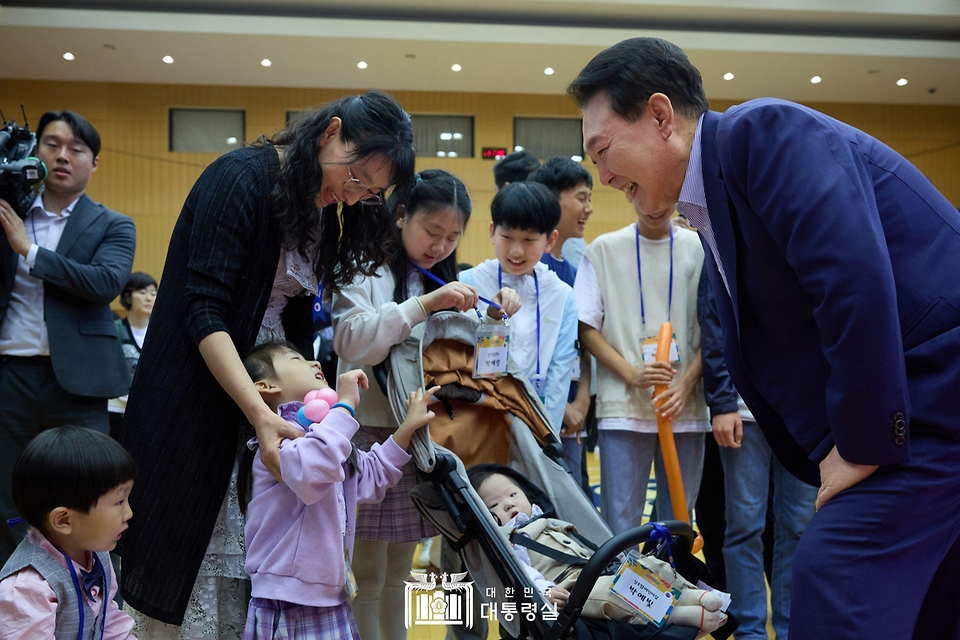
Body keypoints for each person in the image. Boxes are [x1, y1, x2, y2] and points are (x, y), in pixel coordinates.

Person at [569, 36, 960, 639]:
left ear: (660, 116)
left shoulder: (763, 133)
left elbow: (851, 278)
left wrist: (860, 444)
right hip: (922, 398)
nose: (602, 174)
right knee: (928, 603)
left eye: (602, 150)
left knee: (838, 574)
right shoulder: (710, 199)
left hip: (936, 388)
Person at [118, 91, 415, 635]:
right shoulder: (240, 177)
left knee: (265, 542)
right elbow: (202, 307)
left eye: (369, 193)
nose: (352, 198)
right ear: (329, 133)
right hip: (204, 388)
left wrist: (304, 401)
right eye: (354, 179)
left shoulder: (321, 212)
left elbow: (298, 321)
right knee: (194, 546)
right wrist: (258, 409)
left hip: (273, 391)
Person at [330, 169, 476, 640]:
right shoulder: (362, 266)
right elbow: (352, 342)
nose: (441, 246)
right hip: (373, 438)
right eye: (432, 231)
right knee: (367, 578)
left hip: (419, 441)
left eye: (452, 237)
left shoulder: (442, 279)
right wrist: (424, 305)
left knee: (399, 578)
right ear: (400, 216)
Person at [0, 110, 136, 565]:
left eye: (76, 149)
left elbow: (104, 282)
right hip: (9, 374)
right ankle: (14, 605)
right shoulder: (7, 211)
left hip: (78, 383)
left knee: (90, 493)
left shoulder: (113, 223)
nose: (63, 156)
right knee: (8, 493)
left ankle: (94, 607)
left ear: (93, 163)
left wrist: (29, 251)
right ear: (36, 151)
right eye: (52, 144)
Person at [239, 341, 437, 640]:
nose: (314, 363)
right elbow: (312, 468)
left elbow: (370, 474)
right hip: (289, 600)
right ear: (265, 386)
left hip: (330, 596)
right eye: (297, 358)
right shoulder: (276, 445)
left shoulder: (323, 434)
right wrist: (344, 404)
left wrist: (406, 429)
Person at [574, 192, 707, 534]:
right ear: (631, 193)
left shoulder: (700, 249)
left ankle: (672, 588)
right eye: (644, 196)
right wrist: (631, 373)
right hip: (623, 407)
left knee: (679, 519)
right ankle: (618, 589)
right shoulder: (603, 250)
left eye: (663, 197)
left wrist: (687, 383)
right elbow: (586, 328)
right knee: (620, 523)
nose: (654, 204)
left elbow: (717, 330)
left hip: (684, 406)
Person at [468, 465, 726, 638]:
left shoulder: (551, 521)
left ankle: (698, 598)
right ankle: (681, 616)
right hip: (573, 589)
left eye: (513, 494)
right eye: (496, 505)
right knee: (613, 593)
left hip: (600, 567)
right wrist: (542, 592)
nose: (509, 503)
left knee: (650, 567)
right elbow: (520, 574)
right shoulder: (509, 542)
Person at [458, 181, 577, 435]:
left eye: (529, 239)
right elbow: (459, 356)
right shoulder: (469, 284)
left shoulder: (562, 295)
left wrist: (548, 436)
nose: (516, 250)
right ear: (492, 232)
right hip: (476, 420)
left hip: (537, 423)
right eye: (507, 237)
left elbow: (559, 374)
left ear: (549, 240)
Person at [0, 426, 137, 639]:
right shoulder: (29, 588)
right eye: (119, 502)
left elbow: (108, 622)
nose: (128, 513)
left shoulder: (97, 553)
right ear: (64, 520)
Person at [529, 156, 595, 486]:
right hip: (539, 410)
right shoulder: (529, 266)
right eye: (582, 197)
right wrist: (559, 408)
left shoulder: (573, 270)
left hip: (572, 411)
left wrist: (581, 400)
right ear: (554, 199)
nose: (590, 208)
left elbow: (580, 342)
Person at [108, 272, 157, 439]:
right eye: (142, 293)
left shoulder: (162, 334)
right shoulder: (115, 329)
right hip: (116, 407)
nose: (149, 298)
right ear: (128, 297)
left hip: (150, 409)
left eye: (153, 293)